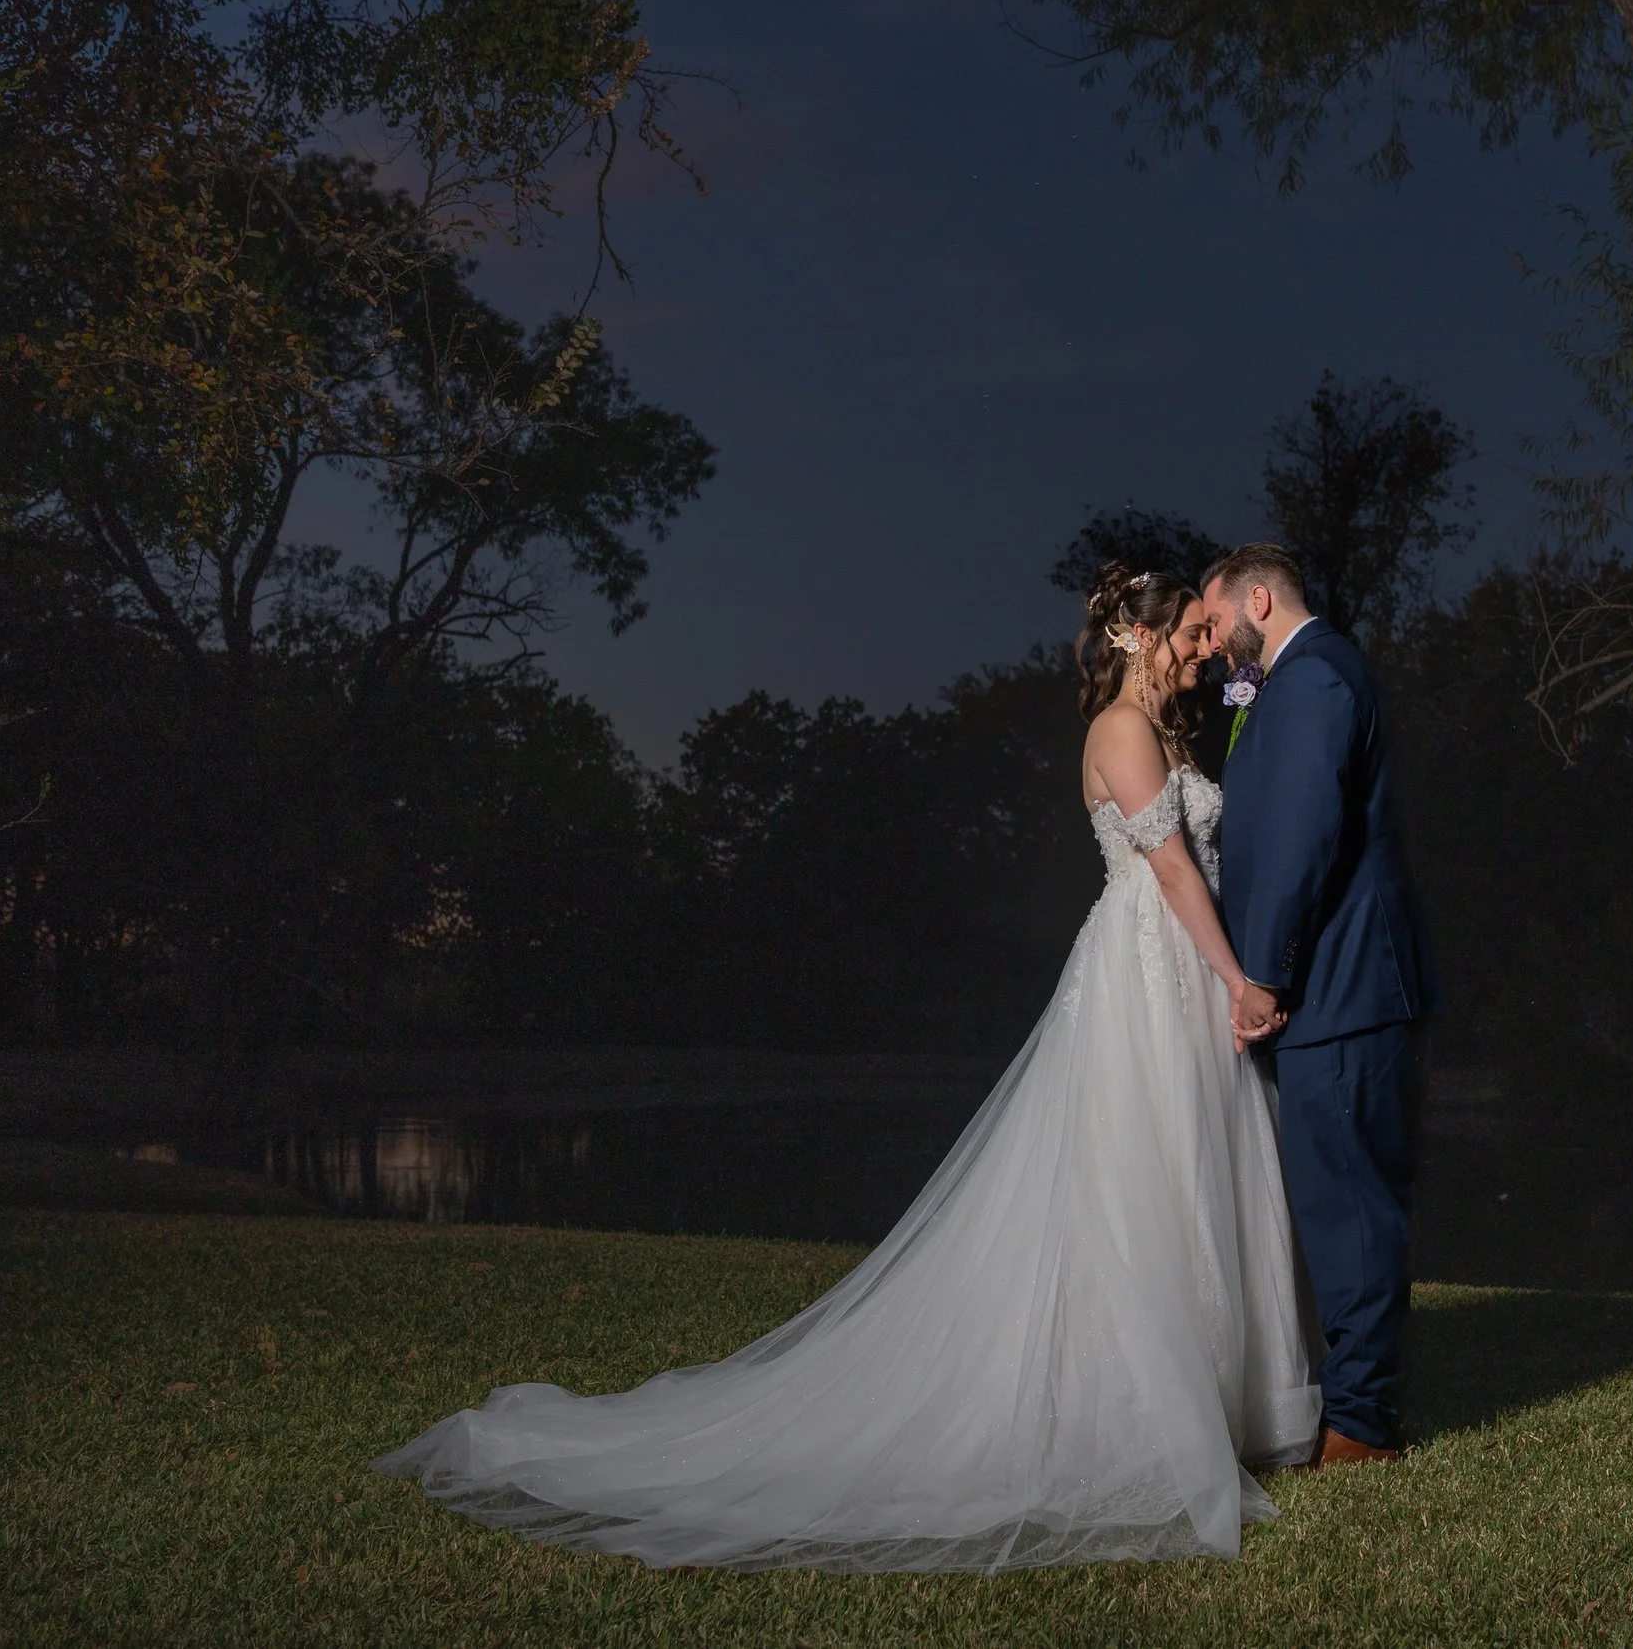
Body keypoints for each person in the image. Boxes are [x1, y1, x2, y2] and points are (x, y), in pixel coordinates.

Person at [375, 564, 1320, 1573]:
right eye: (1182, 633)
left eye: (1199, 637)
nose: (1195, 649)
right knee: (1137, 1186)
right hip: (1150, 970)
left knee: (1191, 1178)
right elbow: (1171, 867)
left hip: (1180, 968)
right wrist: (1239, 979)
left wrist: (1251, 684)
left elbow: (1223, 781)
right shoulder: (1122, 734)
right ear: (1136, 637)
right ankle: (1132, 1413)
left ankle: (1223, 1402)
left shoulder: (1178, 727)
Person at [1201, 542, 1441, 1467]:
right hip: (1337, 990)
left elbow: (1303, 833)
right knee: (1340, 1198)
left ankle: (1362, 1426)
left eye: (1220, 623)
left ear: (1259, 598)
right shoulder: (1296, 679)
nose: (1218, 647)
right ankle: (1354, 1404)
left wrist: (1263, 972)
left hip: (1342, 988)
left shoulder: (1314, 680)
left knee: (1354, 1205)